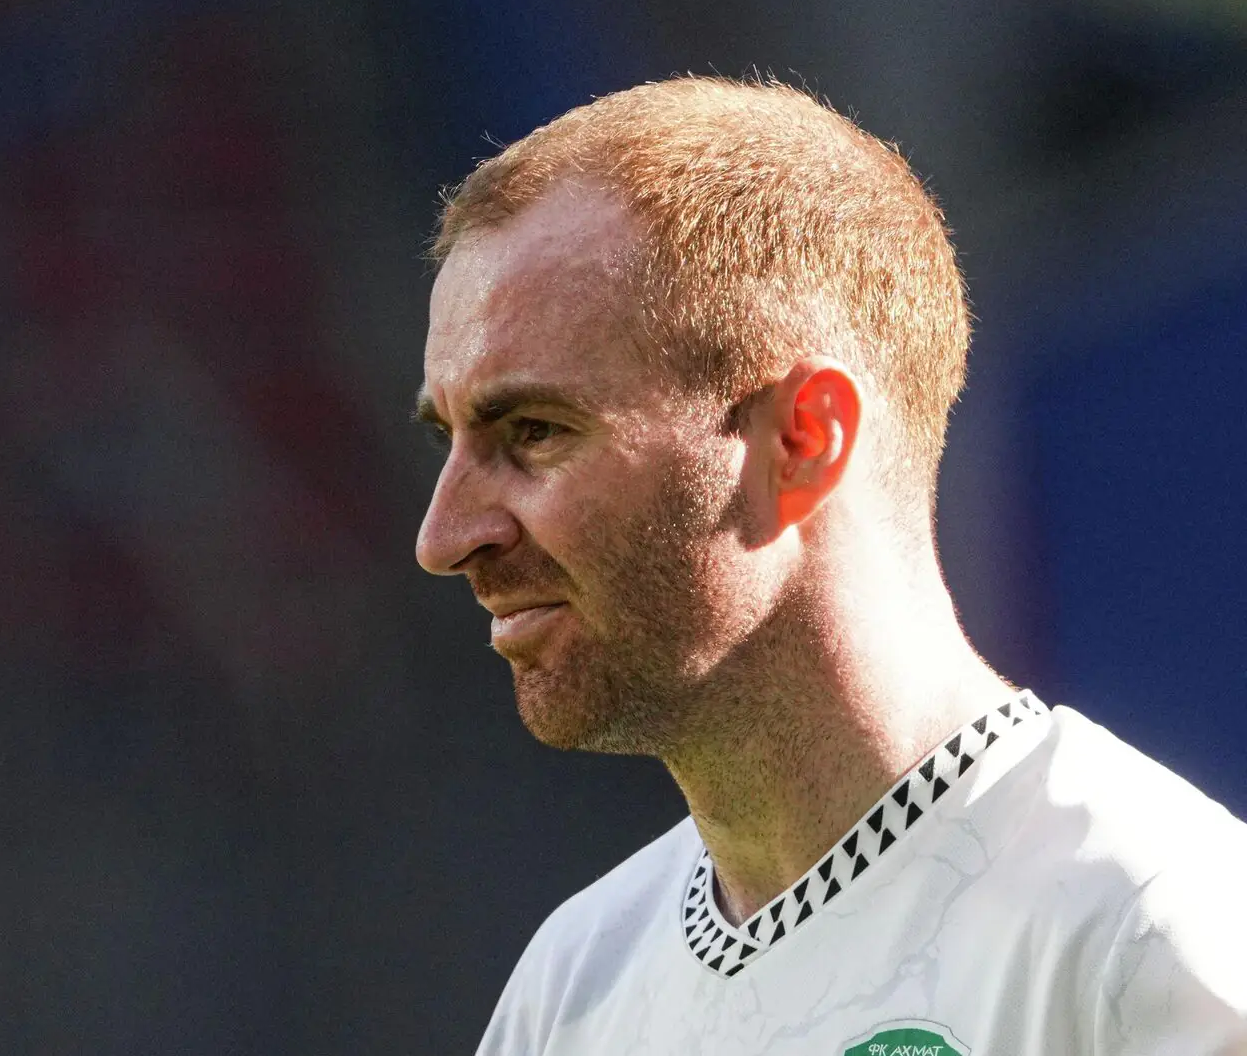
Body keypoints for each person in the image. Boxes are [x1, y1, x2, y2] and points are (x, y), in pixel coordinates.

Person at [414, 76, 1247, 1056]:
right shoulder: (569, 991)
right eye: (447, 440)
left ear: (803, 441)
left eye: (534, 432)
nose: (445, 537)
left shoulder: (1150, 937)